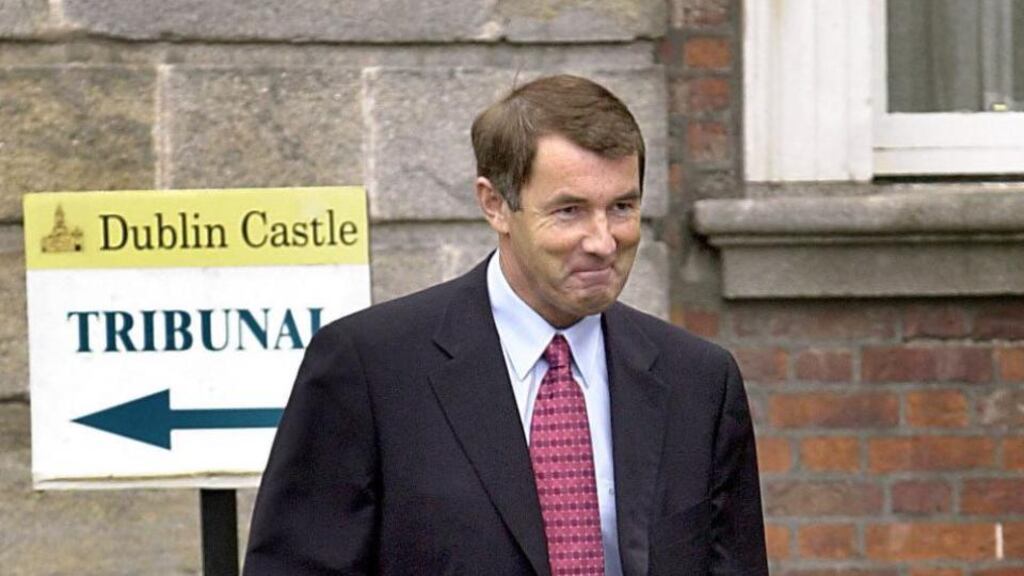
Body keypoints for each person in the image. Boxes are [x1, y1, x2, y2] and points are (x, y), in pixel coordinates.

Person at [243, 74, 768, 575]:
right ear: (495, 204)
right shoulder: (371, 368)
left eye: (622, 207)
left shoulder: (699, 381)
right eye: (569, 211)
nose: (603, 241)